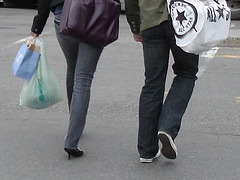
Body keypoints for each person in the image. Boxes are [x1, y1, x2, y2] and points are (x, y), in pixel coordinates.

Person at [124, 0, 199, 163]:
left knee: (152, 82)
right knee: (186, 73)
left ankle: (146, 149)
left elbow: (131, 2)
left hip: (150, 20)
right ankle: (167, 126)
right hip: (184, 19)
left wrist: (135, 26)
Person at [31, 0, 105, 159]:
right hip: (95, 12)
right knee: (84, 77)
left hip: (64, 13)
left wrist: (38, 24)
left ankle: (74, 122)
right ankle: (72, 138)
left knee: (73, 68)